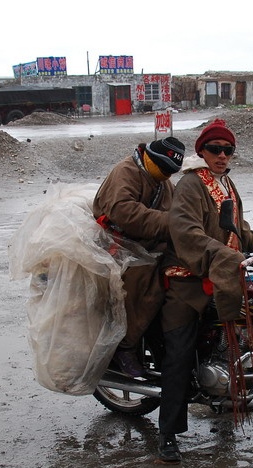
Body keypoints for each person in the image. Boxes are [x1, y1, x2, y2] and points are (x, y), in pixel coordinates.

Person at [156, 119, 253, 463]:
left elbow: (239, 227)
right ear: (201, 151)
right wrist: (223, 255)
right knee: (180, 352)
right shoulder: (189, 184)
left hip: (222, 272)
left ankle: (230, 392)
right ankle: (167, 434)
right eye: (215, 149)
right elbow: (185, 232)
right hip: (187, 278)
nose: (222, 155)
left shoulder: (226, 182)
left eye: (228, 150)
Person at [92, 137, 186, 377]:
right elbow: (123, 211)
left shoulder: (162, 182)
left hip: (144, 242)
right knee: (147, 278)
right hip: (117, 243)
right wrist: (170, 223)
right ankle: (124, 347)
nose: (167, 175)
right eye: (164, 169)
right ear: (152, 159)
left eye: (171, 172)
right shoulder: (127, 171)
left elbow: (177, 212)